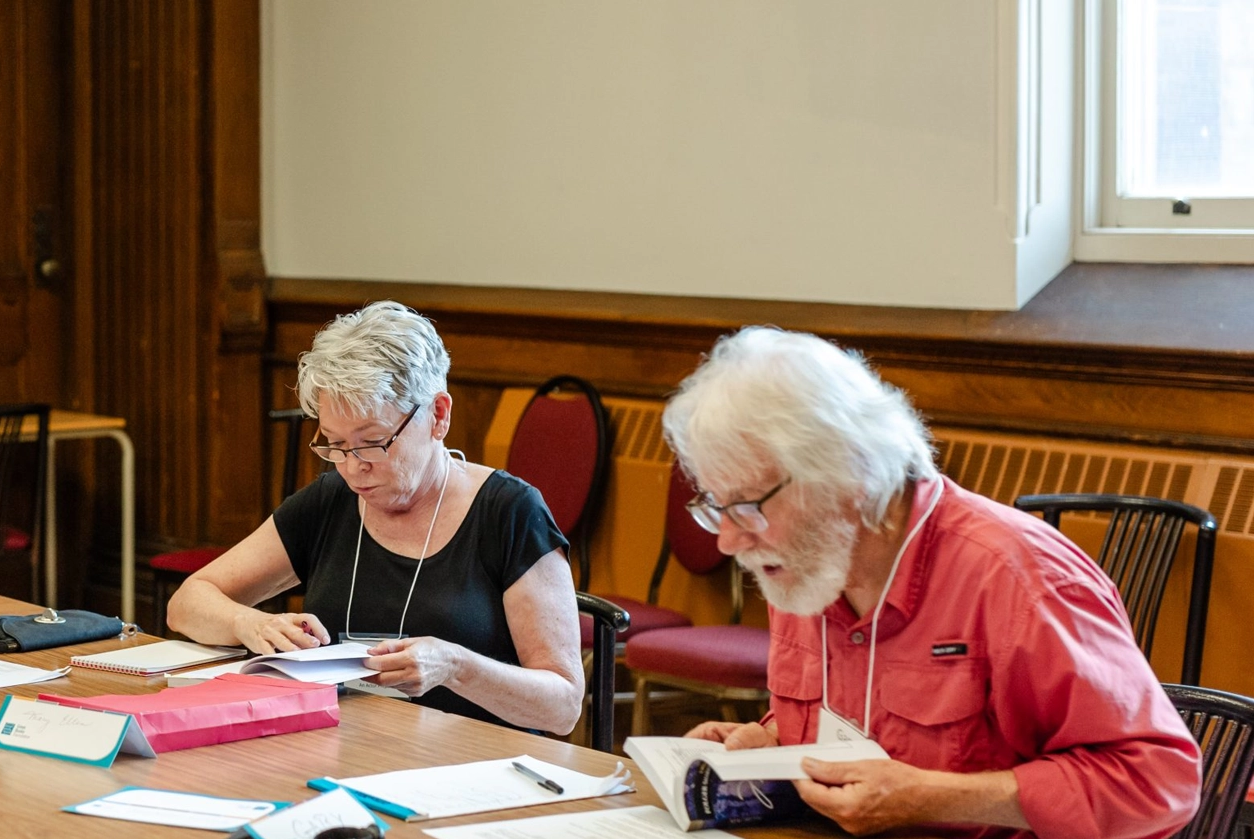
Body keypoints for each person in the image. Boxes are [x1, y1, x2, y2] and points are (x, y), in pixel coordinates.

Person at [662, 326, 1200, 838]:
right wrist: (771, 741)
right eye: (717, 507)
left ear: (849, 476)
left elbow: (1157, 785)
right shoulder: (808, 564)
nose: (728, 541)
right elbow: (862, 725)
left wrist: (936, 797)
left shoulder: (1018, 578)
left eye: (747, 507)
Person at [167, 301, 585, 734]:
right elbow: (186, 604)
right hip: (346, 747)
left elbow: (563, 706)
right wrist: (251, 623)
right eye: (335, 444)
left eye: (373, 443)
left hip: (473, 761)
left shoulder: (510, 513)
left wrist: (457, 666)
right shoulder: (330, 502)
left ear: (438, 415)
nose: (352, 467)